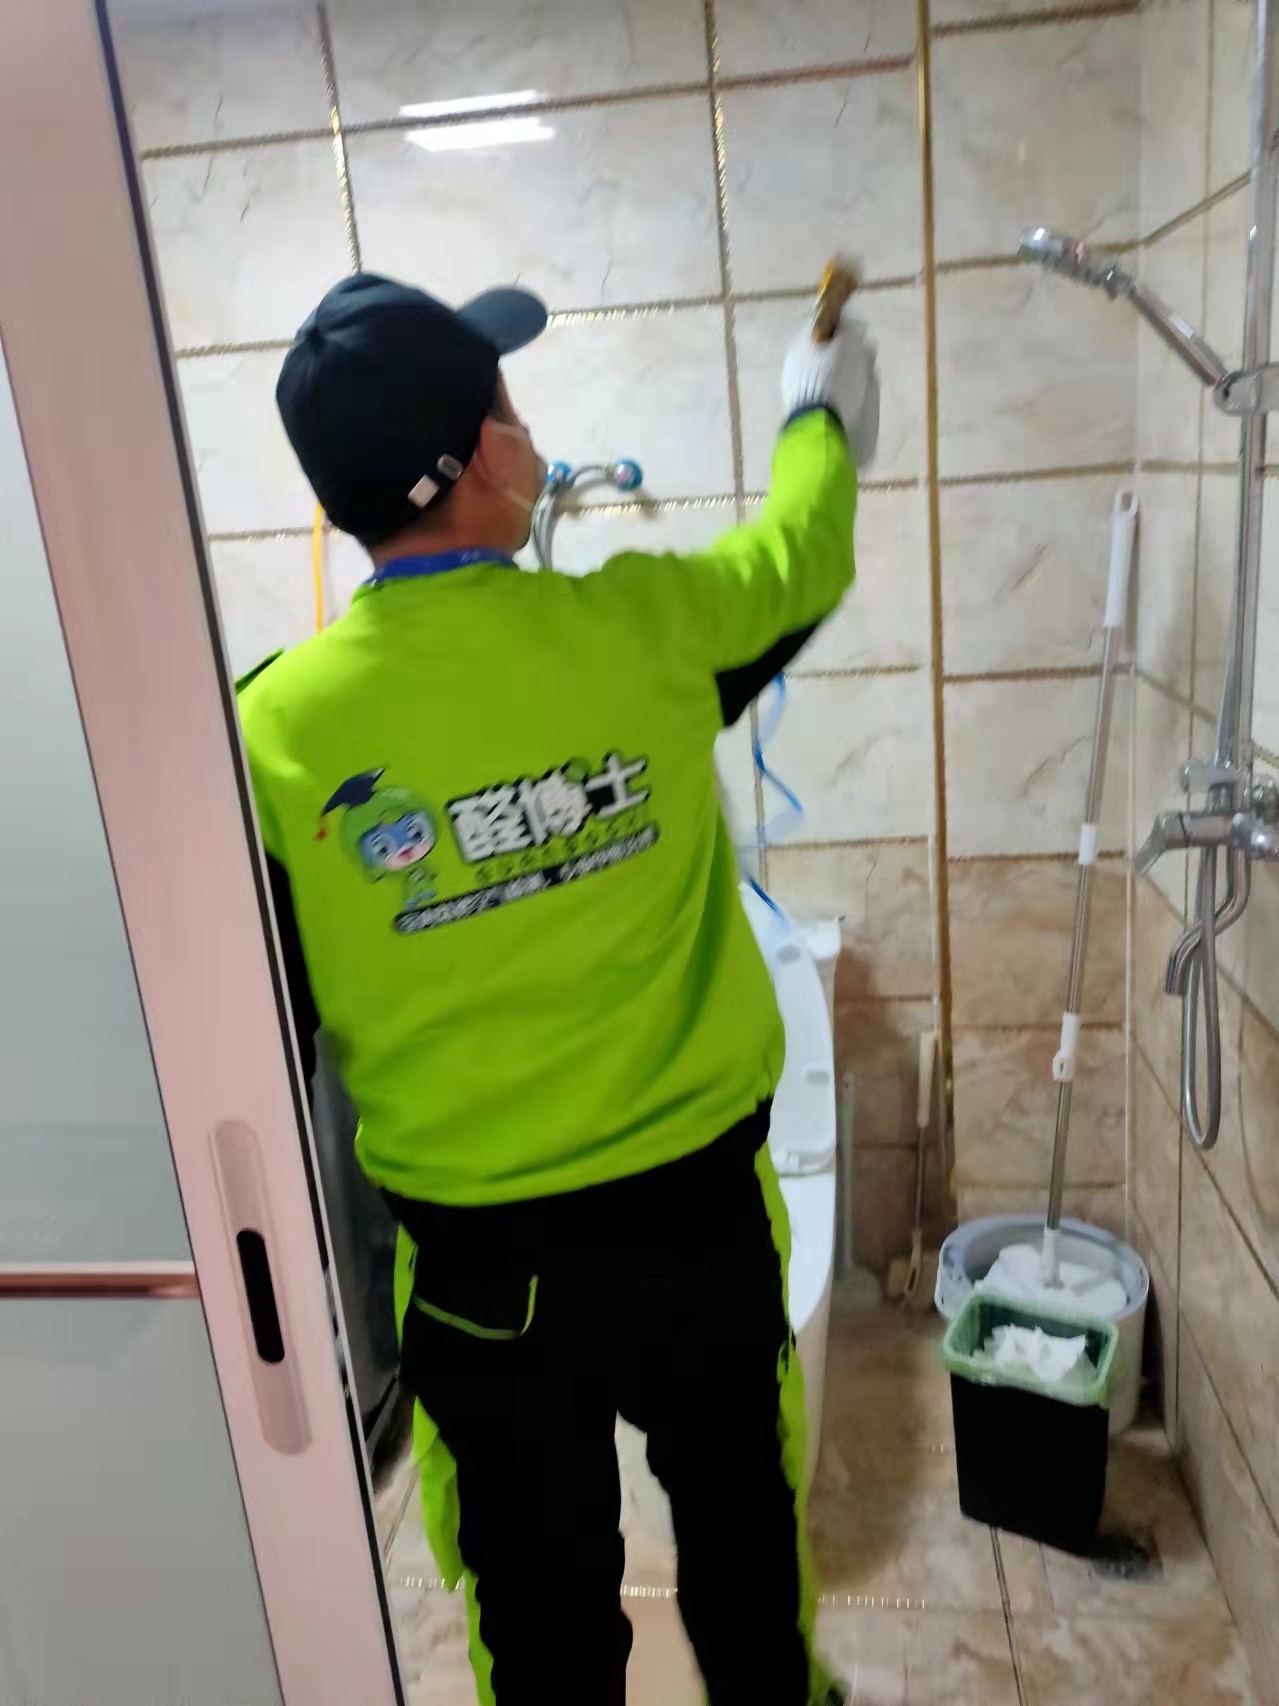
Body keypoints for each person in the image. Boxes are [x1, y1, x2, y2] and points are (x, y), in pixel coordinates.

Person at [237, 269, 879, 1706]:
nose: (529, 435)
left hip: (481, 1273)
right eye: (511, 411)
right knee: (743, 1544)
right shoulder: (645, 628)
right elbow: (802, 555)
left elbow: (263, 1009)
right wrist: (815, 418)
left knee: (535, 1618)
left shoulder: (274, 732)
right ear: (480, 456)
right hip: (694, 1221)